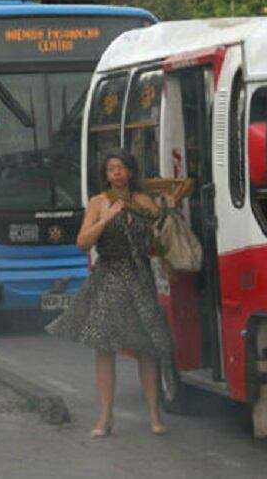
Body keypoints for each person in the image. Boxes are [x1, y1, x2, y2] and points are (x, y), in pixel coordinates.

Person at [46, 149, 172, 438]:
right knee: (105, 348)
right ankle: (105, 416)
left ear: (130, 172)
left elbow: (161, 237)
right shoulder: (98, 203)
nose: (116, 173)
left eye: (121, 168)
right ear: (105, 174)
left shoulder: (144, 202)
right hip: (109, 278)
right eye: (111, 168)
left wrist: (168, 211)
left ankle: (154, 413)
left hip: (140, 278)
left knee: (147, 347)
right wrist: (107, 219)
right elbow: (82, 242)